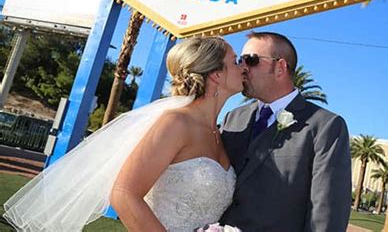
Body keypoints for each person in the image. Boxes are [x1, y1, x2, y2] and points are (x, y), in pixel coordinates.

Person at [3, 36, 244, 231]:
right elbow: (123, 194)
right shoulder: (176, 123)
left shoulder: (217, 133)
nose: (243, 67)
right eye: (235, 61)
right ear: (216, 74)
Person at [219, 32, 352, 231]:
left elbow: (326, 214)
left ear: (280, 67)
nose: (243, 67)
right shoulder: (233, 117)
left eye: (251, 60)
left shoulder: (325, 126)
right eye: (240, 60)